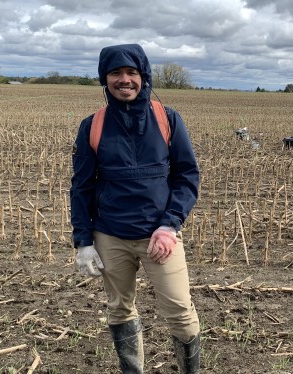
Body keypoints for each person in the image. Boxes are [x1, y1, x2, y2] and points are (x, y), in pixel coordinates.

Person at [70, 43, 201, 374]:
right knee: (119, 309)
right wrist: (83, 241)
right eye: (115, 73)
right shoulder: (93, 125)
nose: (124, 79)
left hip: (160, 235)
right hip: (110, 235)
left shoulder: (168, 119)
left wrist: (170, 225)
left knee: (180, 313)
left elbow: (187, 177)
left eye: (132, 72)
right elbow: (82, 186)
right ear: (105, 79)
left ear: (144, 77)